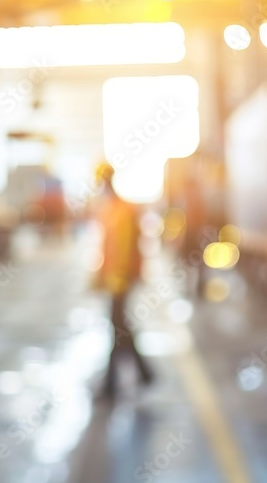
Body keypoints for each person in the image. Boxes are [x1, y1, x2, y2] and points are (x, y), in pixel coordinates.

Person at [93, 163, 154, 400]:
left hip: (121, 281)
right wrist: (100, 276)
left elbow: (126, 250)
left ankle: (112, 385)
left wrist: (118, 277)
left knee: (117, 328)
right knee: (120, 328)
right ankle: (143, 374)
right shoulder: (110, 210)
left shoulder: (123, 212)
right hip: (114, 279)